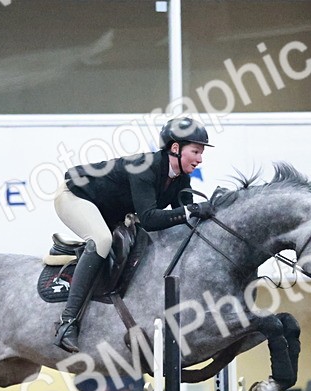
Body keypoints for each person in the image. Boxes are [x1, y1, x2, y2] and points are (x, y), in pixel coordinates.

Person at [52, 116, 215, 353]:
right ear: (176, 148)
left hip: (107, 210)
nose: (200, 159)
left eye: (202, 153)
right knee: (102, 240)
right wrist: (191, 211)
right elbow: (150, 218)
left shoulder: (182, 179)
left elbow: (187, 222)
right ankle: (67, 323)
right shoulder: (145, 167)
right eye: (196, 151)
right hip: (75, 197)